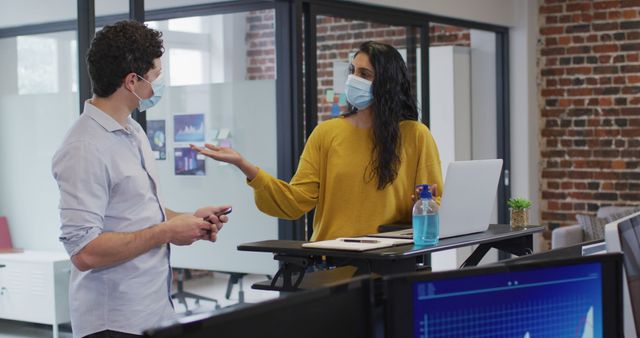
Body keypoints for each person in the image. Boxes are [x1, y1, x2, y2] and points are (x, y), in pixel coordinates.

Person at [52, 20, 231, 338]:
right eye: (155, 77)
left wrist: (189, 220)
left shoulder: (131, 130)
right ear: (132, 81)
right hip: (112, 323)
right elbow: (84, 252)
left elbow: (141, 213)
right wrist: (165, 231)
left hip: (153, 313)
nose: (158, 86)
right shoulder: (83, 147)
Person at [192, 41, 442, 241]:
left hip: (393, 261)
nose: (354, 79)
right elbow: (294, 202)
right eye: (353, 71)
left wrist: (424, 206)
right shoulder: (326, 133)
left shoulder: (415, 135)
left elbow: (434, 202)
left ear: (387, 83)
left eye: (365, 74)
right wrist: (245, 165)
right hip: (334, 261)